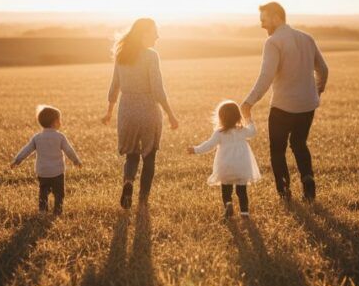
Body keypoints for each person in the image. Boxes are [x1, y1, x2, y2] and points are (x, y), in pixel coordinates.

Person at [241, 1, 328, 202]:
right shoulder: (307, 38)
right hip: (307, 106)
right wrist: (316, 92)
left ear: (276, 17)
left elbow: (266, 76)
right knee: (299, 144)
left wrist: (248, 102)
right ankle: (308, 186)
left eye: (264, 20)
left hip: (283, 107)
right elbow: (323, 70)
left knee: (277, 151)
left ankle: (285, 194)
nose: (262, 25)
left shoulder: (273, 42)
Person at [102, 18, 179, 209]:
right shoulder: (151, 56)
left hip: (126, 109)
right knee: (149, 156)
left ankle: (128, 182)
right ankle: (143, 200)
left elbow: (114, 87)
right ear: (144, 33)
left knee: (132, 155)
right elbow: (157, 90)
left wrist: (109, 112)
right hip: (148, 109)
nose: (157, 36)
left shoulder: (122, 55)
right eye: (154, 32)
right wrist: (170, 113)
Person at [187, 100, 261, 218]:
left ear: (221, 118)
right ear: (238, 116)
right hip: (242, 166)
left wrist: (195, 149)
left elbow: (209, 145)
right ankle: (244, 213)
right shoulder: (242, 130)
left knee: (226, 189)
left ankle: (228, 203)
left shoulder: (219, 133)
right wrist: (249, 119)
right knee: (241, 191)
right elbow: (253, 132)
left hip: (225, 166)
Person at [11, 105, 82, 215]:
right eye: (59, 120)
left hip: (43, 172)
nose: (61, 122)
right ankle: (57, 211)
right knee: (59, 193)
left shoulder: (37, 138)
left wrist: (17, 159)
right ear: (54, 122)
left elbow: (26, 150)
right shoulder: (60, 137)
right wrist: (76, 161)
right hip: (57, 172)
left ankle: (42, 210)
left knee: (43, 192)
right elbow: (69, 150)